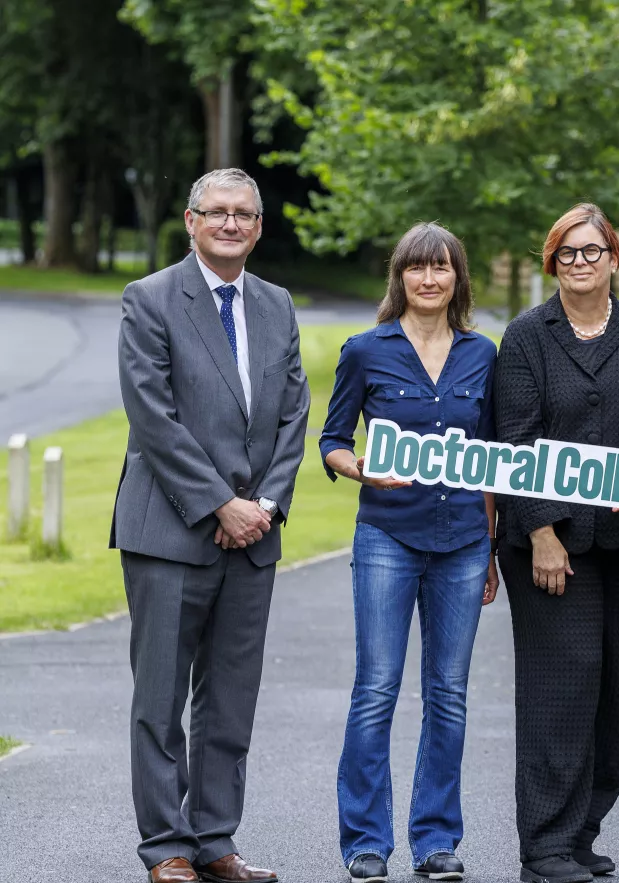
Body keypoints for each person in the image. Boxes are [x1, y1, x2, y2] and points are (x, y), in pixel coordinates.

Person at [110, 168, 311, 883]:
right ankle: (165, 844)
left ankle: (214, 837)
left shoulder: (278, 303)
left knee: (229, 700)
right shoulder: (151, 298)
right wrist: (218, 503)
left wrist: (266, 504)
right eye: (217, 212)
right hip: (170, 531)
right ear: (191, 220)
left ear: (258, 227)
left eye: (245, 214)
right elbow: (151, 416)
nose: (231, 223)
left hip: (254, 536)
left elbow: (294, 413)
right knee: (160, 699)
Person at [495, 203, 619, 883]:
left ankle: (581, 832)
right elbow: (513, 441)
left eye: (591, 251)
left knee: (614, 688)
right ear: (553, 263)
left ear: (614, 258)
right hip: (551, 544)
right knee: (559, 687)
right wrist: (541, 529)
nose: (579, 262)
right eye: (567, 253)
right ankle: (544, 846)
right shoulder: (526, 337)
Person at [319, 223, 499, 883]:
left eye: (442, 267)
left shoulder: (484, 354)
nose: (429, 279)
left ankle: (436, 840)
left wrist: (494, 549)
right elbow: (331, 438)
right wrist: (359, 467)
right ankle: (366, 840)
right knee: (376, 688)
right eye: (417, 268)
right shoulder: (366, 351)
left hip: (463, 544)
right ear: (400, 276)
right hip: (388, 536)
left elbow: (492, 461)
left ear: (458, 278)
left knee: (448, 693)